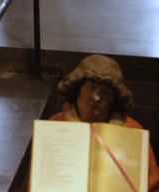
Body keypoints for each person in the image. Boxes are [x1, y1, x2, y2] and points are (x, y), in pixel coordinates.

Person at [50, 55, 159, 191]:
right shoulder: (56, 126)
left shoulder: (132, 131)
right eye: (91, 88)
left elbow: (152, 185)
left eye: (105, 93)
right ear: (78, 88)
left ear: (114, 100)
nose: (96, 97)